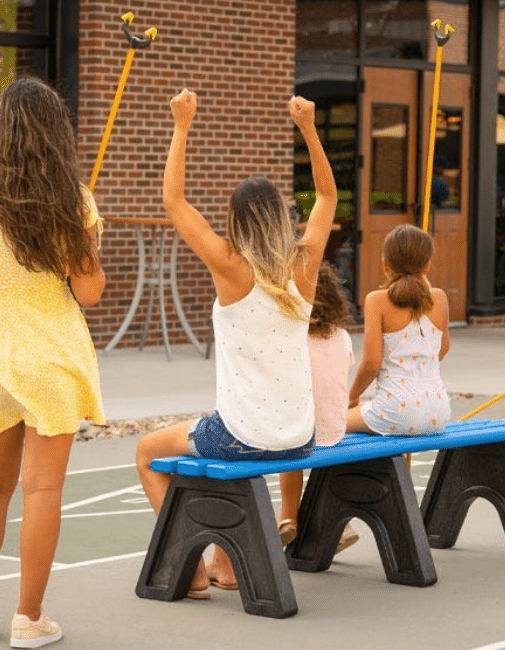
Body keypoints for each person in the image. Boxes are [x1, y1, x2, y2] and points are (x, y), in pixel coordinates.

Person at [135, 90, 337, 596]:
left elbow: (174, 202)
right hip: (298, 436)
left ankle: (193, 568)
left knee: (145, 452)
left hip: (244, 435)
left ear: (237, 221)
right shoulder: (304, 264)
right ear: (279, 217)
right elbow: (328, 197)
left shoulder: (230, 265)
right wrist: (309, 130)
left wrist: (182, 125)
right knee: (238, 439)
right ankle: (226, 565)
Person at [0, 78, 106, 648]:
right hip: (49, 354)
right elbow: (89, 291)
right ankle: (28, 619)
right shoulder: (74, 199)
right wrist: (90, 247)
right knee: (41, 491)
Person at [274, 261, 358, 553]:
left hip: (302, 432)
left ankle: (288, 517)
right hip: (335, 428)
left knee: (291, 443)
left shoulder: (291, 338)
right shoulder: (342, 336)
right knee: (314, 442)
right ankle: (340, 524)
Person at [347, 224, 451, 436]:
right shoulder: (439, 298)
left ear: (385, 265)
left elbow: (371, 364)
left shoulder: (377, 301)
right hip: (438, 411)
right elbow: (442, 349)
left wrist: (352, 397)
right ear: (428, 266)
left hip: (395, 409)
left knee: (327, 425)